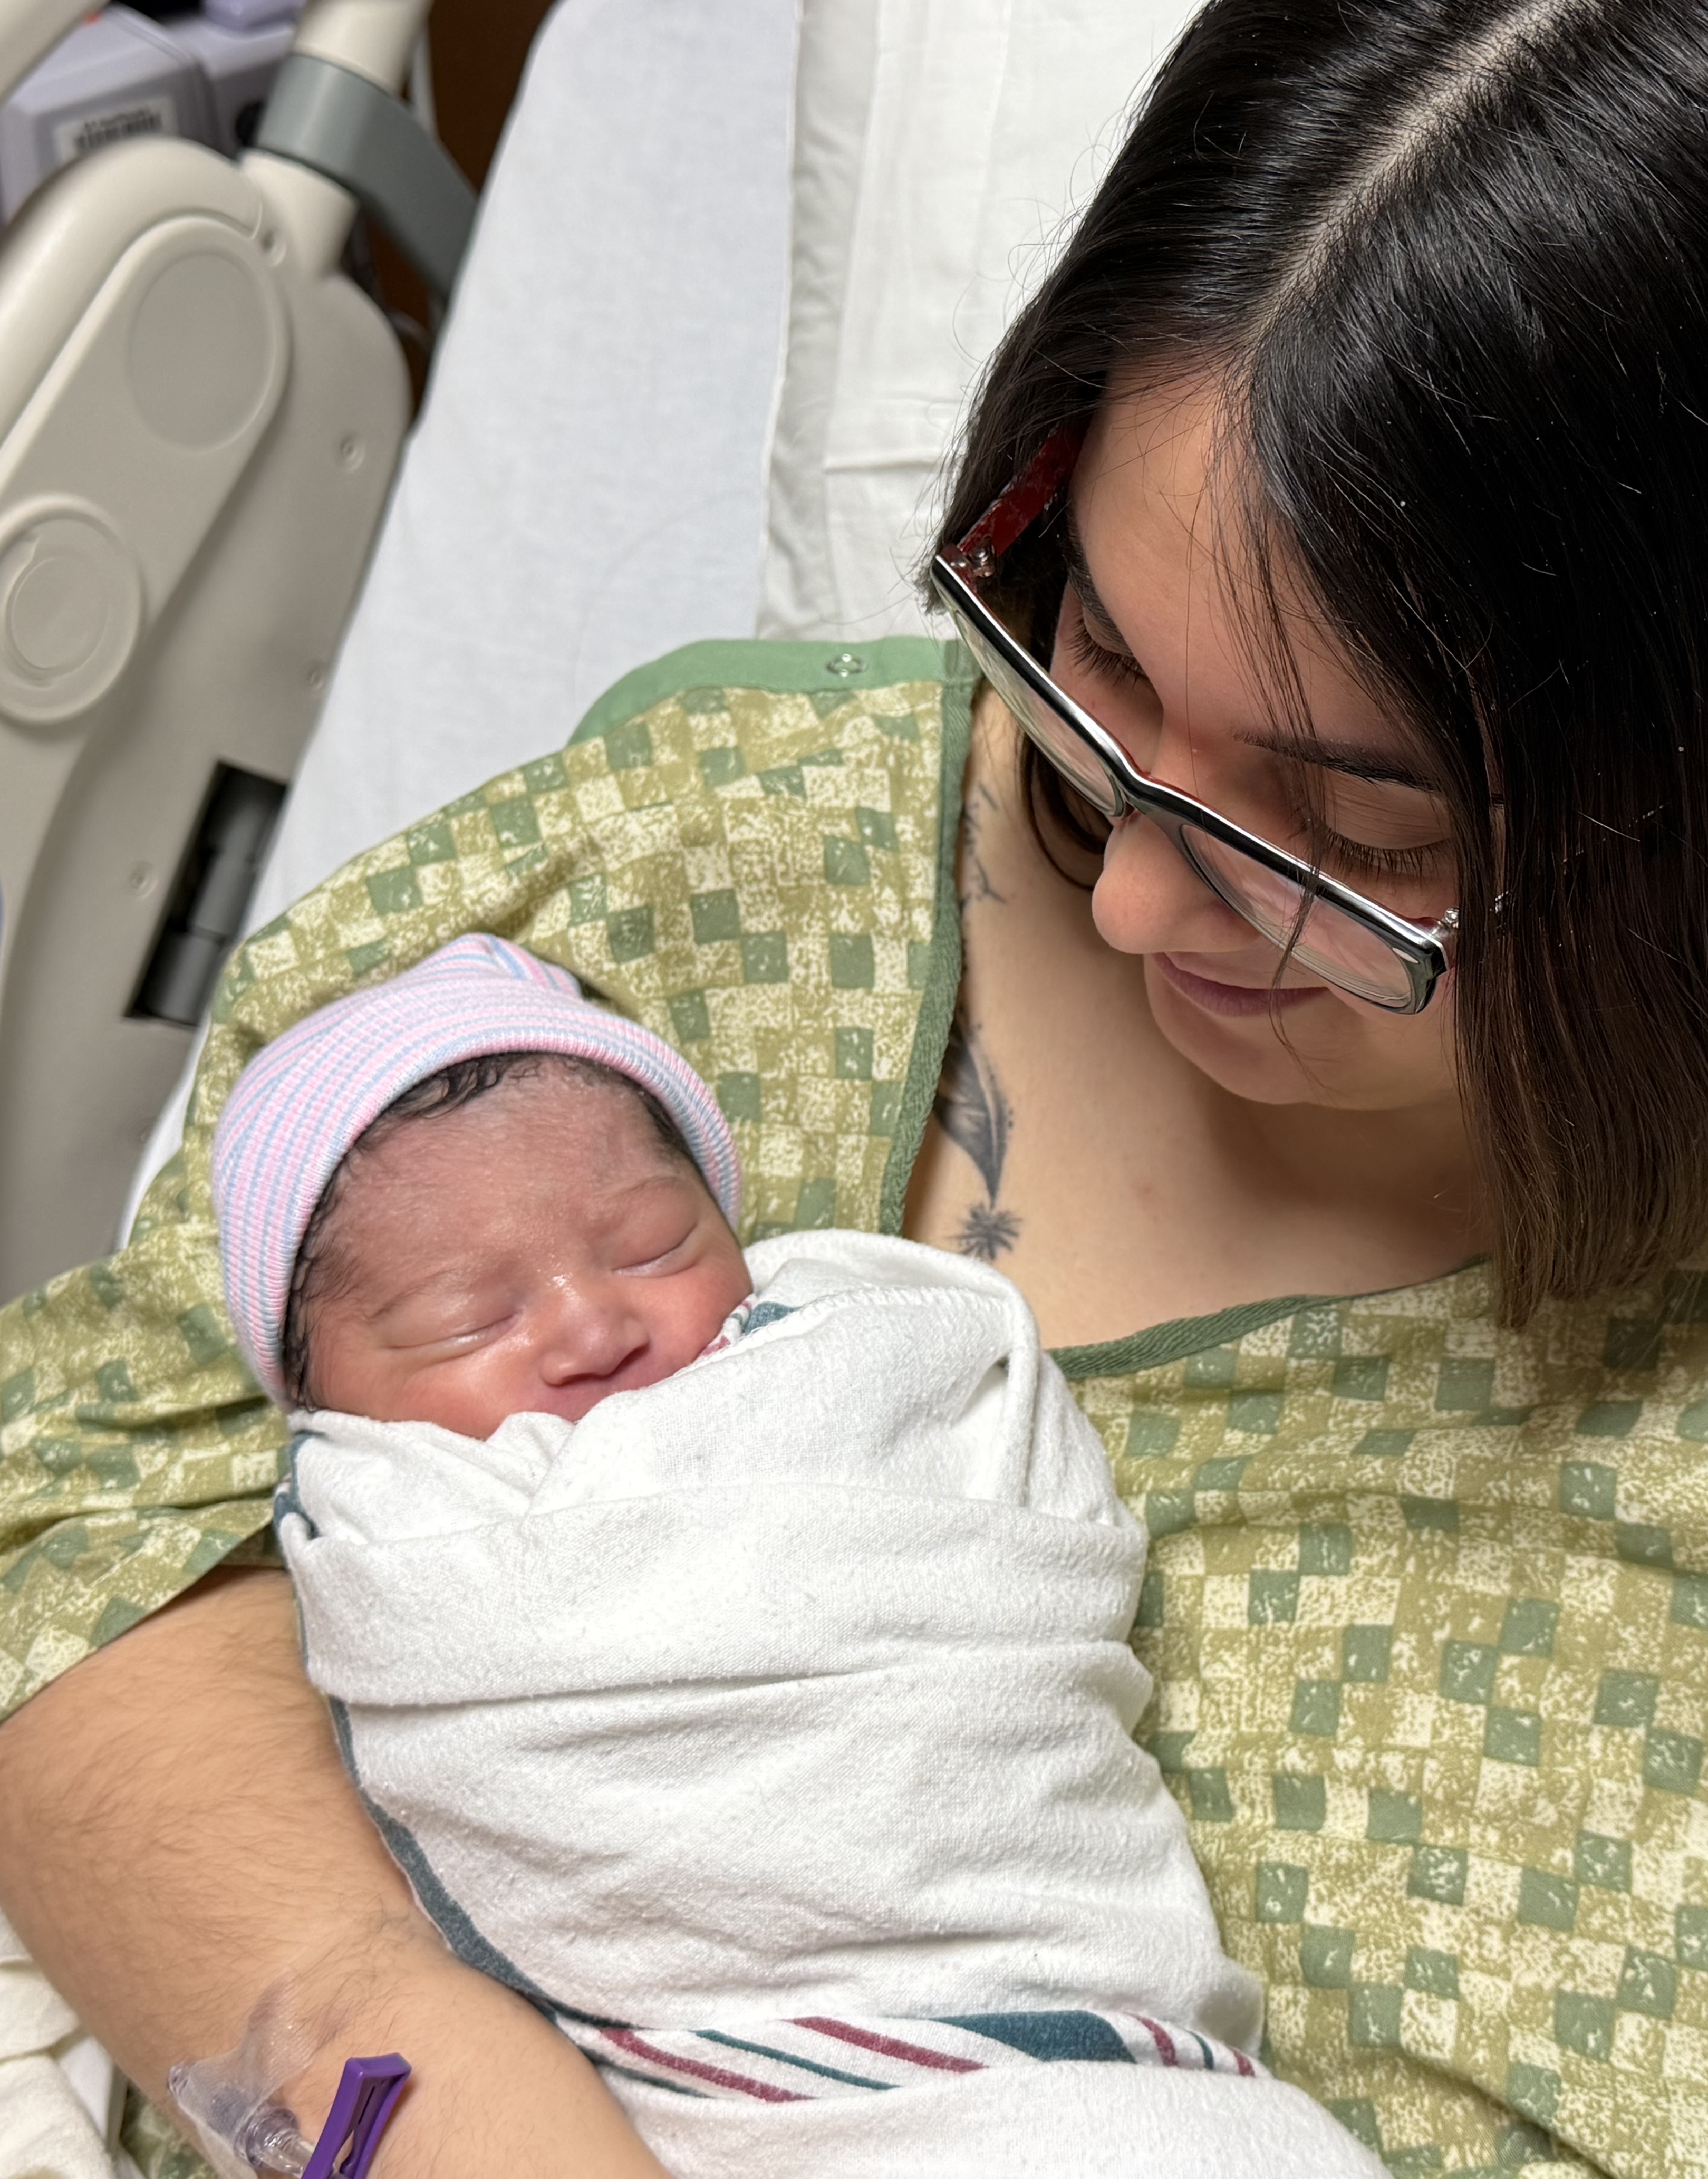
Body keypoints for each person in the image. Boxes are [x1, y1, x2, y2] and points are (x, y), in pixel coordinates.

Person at [0, 0, 1708, 2173]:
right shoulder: (708, 895)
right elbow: (69, 1526)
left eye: (1348, 825)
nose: (1118, 891)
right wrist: (409, 2072)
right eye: (1089, 665)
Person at [192, 932, 1386, 2175]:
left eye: (653, 1245)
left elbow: (1010, 1500)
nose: (595, 1326)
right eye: (471, 1317)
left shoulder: (850, 1344)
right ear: (325, 1400)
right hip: (750, 2094)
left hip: (1075, 2014)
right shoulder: (390, 1504)